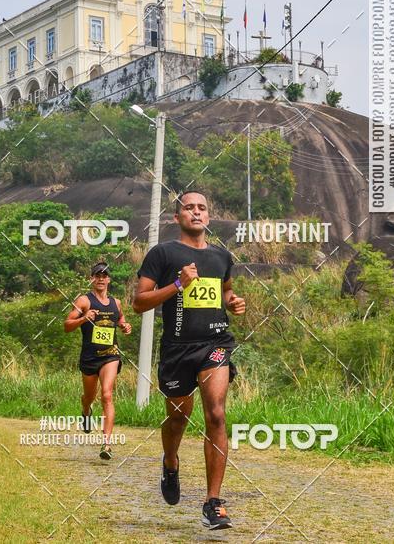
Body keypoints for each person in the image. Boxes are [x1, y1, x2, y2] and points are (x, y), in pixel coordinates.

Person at [133, 190, 246, 531]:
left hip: (215, 344)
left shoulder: (221, 256)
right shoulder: (162, 254)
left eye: (202, 208)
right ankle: (170, 462)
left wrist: (233, 303)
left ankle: (213, 502)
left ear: (208, 217)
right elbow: (139, 302)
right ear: (177, 217)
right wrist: (178, 285)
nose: (196, 213)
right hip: (178, 349)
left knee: (216, 412)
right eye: (189, 208)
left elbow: (225, 291)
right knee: (179, 418)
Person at [64, 261, 132, 460]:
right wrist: (84, 319)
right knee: (89, 397)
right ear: (92, 279)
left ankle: (107, 444)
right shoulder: (84, 301)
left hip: (110, 355)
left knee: (107, 395)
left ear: (109, 279)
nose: (101, 279)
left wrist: (125, 327)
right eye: (97, 275)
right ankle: (86, 411)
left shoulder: (116, 302)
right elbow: (67, 325)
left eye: (104, 275)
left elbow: (120, 320)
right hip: (89, 358)